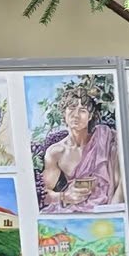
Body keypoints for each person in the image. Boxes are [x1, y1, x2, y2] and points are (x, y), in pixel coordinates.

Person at [38, 76, 122, 211]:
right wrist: (64, 196)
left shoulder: (105, 138)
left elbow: (122, 180)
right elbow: (44, 194)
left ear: (90, 116)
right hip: (74, 209)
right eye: (71, 108)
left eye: (82, 110)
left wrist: (113, 209)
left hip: (108, 207)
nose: (76, 115)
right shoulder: (56, 152)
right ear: (64, 113)